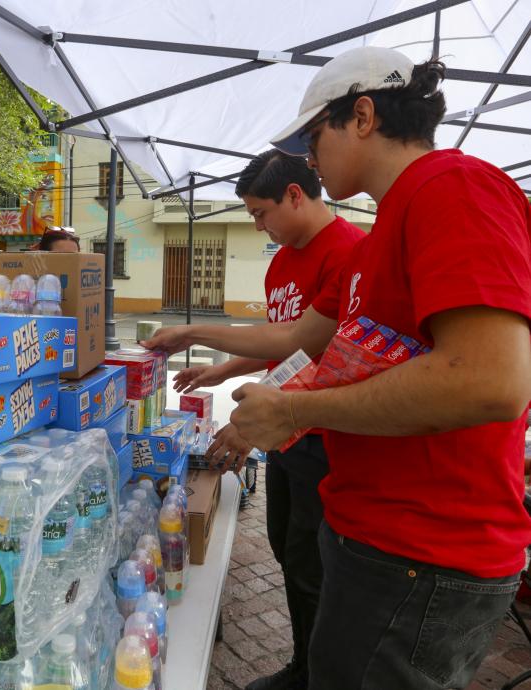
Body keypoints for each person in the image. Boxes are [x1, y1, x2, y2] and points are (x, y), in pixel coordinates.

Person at [143, 46, 531, 690]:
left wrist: (291, 410)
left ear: (363, 115)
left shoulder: (453, 187)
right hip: (370, 532)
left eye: (312, 136)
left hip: (423, 551)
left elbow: (489, 378)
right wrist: (192, 333)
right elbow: (299, 337)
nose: (305, 157)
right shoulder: (381, 237)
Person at [174, 150, 363, 690]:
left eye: (261, 213)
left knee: (314, 563)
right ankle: (304, 663)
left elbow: (320, 354)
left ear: (295, 195)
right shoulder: (283, 260)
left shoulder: (349, 252)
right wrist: (221, 370)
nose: (259, 225)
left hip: (322, 434)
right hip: (287, 435)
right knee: (286, 547)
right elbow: (281, 347)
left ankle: (317, 673)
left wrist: (193, 333)